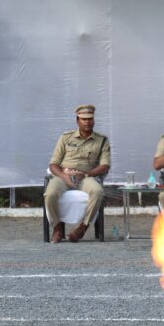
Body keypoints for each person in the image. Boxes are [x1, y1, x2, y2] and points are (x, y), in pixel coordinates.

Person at [44, 104, 110, 243]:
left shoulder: (102, 140)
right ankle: (57, 228)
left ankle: (83, 228)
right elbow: (53, 164)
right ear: (77, 121)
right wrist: (64, 176)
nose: (87, 122)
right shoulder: (66, 138)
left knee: (98, 191)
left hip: (85, 177)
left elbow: (105, 166)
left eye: (90, 119)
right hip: (64, 176)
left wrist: (86, 175)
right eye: (84, 119)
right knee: (50, 194)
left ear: (94, 120)